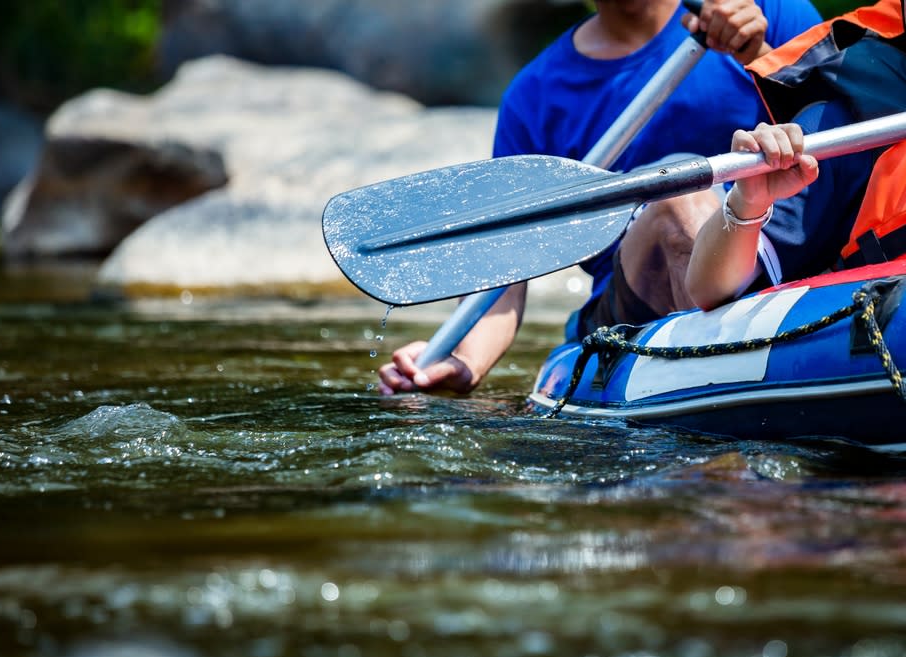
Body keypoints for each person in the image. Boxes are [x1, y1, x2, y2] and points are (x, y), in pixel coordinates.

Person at [378, 0, 821, 395]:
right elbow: (508, 270)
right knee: (680, 195)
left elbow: (846, 123)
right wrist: (466, 359)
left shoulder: (770, 12)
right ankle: (734, 385)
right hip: (638, 299)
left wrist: (762, 59)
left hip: (783, 254)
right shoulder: (535, 96)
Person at [687, 0, 906, 309]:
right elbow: (708, 289)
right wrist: (748, 202)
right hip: (877, 339)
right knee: (679, 209)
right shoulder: (839, 128)